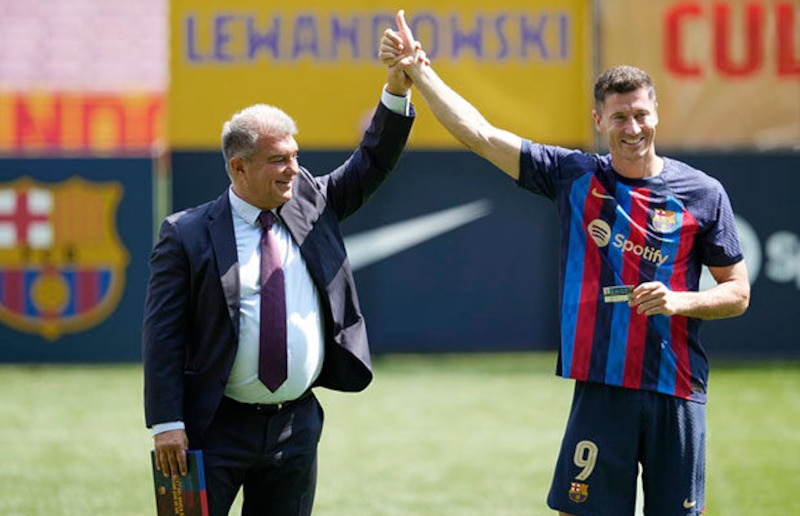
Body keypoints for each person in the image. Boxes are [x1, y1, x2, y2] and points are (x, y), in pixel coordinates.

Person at [380, 10, 750, 516]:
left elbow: (738, 292)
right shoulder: (574, 176)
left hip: (677, 390)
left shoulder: (704, 194)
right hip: (602, 388)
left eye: (640, 113)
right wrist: (420, 71)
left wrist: (679, 300)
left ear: (656, 114)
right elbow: (480, 135)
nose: (632, 126)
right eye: (619, 116)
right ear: (599, 121)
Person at [142, 54, 415, 515]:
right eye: (277, 160)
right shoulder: (185, 233)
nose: (292, 169)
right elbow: (162, 335)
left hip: (295, 426)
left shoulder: (312, 201)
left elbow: (373, 160)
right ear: (239, 167)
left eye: (295, 156)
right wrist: (166, 422)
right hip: (211, 426)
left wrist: (397, 89)